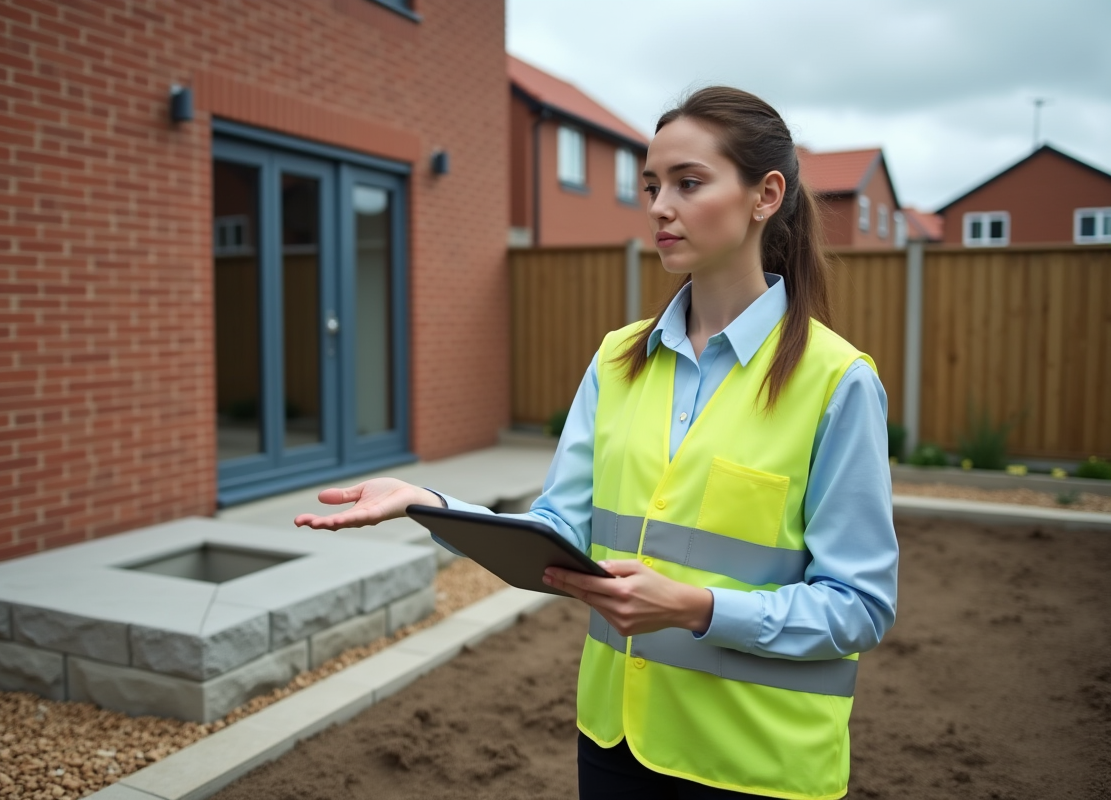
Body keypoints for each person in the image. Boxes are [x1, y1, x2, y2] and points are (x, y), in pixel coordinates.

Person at [295, 86, 898, 800]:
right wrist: (429, 504)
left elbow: (859, 606)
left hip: (758, 763)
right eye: (651, 185)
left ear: (766, 195)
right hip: (614, 747)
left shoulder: (837, 382)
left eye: (688, 183)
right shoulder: (618, 359)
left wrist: (696, 607)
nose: (659, 206)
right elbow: (558, 528)